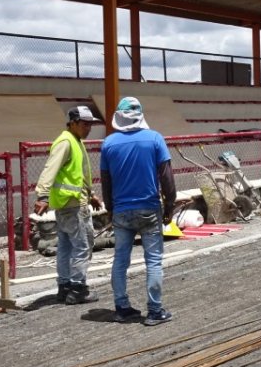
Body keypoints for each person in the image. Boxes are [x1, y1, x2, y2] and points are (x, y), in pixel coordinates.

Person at [100, 97, 177, 326]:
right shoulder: (154, 138)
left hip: (121, 211)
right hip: (149, 209)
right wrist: (169, 206)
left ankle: (122, 307)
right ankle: (154, 311)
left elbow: (106, 181)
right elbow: (167, 177)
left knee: (120, 260)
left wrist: (110, 208)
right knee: (153, 261)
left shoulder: (108, 144)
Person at [33, 106, 102, 304]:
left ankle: (64, 287)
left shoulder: (75, 141)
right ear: (73, 123)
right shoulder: (66, 142)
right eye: (85, 124)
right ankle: (78, 289)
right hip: (73, 205)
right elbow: (50, 168)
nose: (88, 128)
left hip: (66, 204)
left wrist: (91, 195)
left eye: (90, 124)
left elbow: (79, 174)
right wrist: (43, 195)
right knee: (82, 247)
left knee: (65, 248)